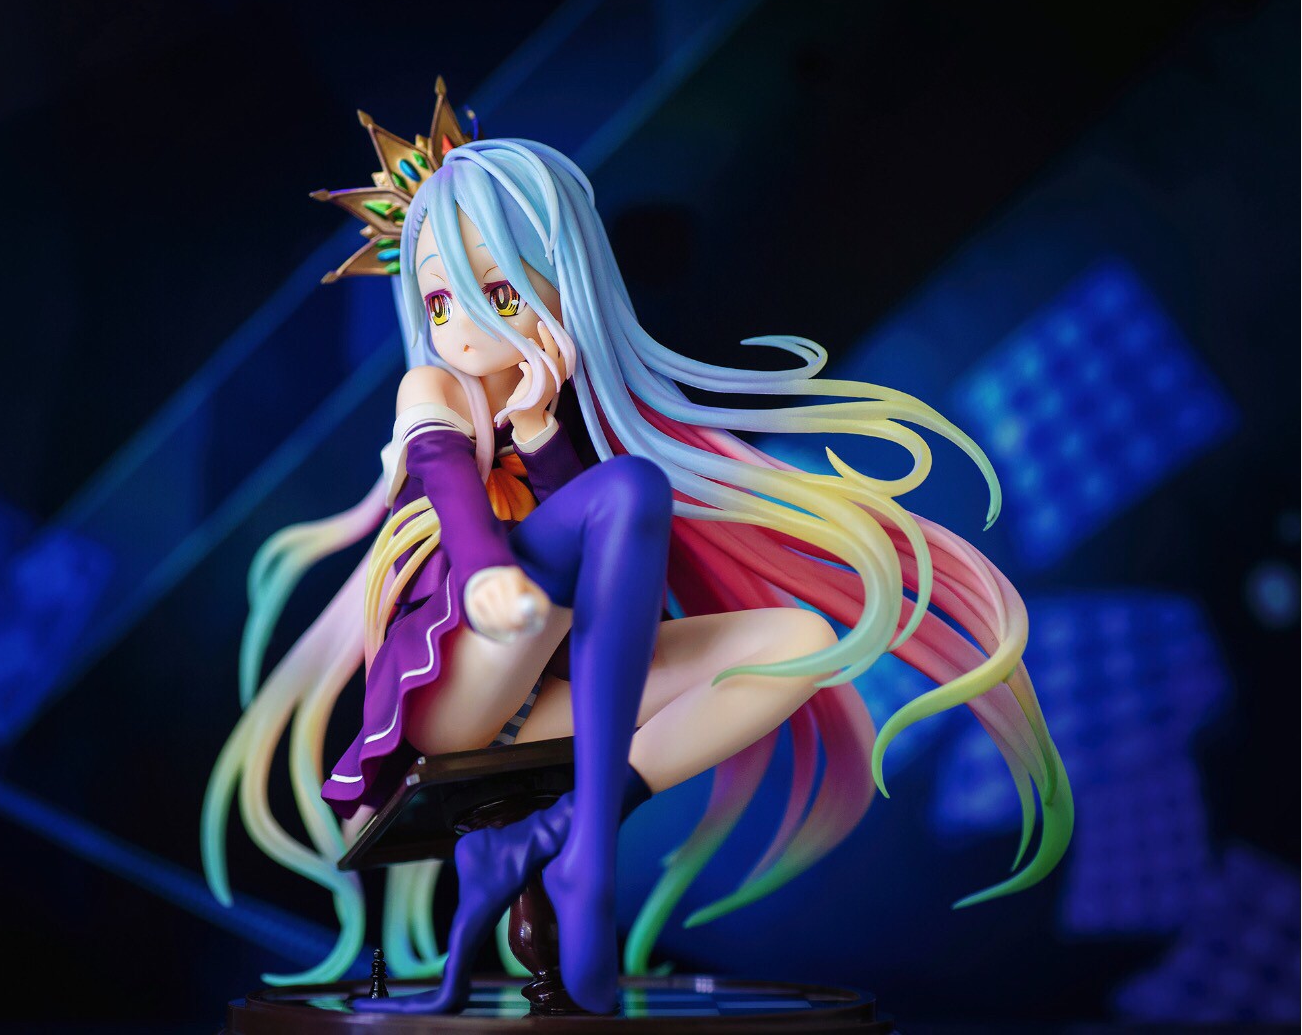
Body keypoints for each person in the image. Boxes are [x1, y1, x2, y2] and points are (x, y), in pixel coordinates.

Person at [202, 81, 1072, 1014]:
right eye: (441, 300)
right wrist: (488, 574)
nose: (464, 327)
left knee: (798, 641)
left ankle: (563, 837)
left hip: (548, 696)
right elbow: (451, 485)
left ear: (562, 281)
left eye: (499, 292)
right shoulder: (434, 391)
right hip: (460, 679)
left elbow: (607, 573)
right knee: (629, 489)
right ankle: (588, 862)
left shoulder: (561, 410)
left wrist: (540, 431)